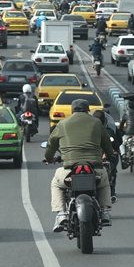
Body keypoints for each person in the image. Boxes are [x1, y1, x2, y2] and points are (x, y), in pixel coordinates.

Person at [45, 99, 114, 232]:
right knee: (104, 182)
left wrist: (49, 158)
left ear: (72, 111)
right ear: (88, 110)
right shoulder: (96, 122)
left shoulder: (62, 124)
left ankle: (61, 214)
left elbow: (51, 143)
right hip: (95, 169)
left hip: (69, 170)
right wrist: (109, 155)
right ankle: (105, 211)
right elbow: (107, 143)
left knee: (56, 184)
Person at [91, 109, 120, 203]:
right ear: (105, 120)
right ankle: (112, 192)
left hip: (90, 158)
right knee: (112, 170)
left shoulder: (87, 132)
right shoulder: (108, 131)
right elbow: (117, 143)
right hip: (97, 158)